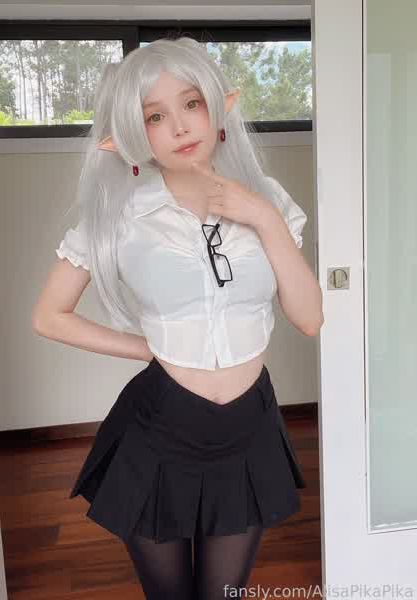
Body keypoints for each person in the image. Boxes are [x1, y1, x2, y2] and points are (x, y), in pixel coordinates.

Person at [31, 36, 324, 600]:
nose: (181, 126)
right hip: (160, 429)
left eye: (191, 104)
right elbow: (49, 316)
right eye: (155, 116)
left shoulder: (268, 199)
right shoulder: (118, 215)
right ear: (131, 134)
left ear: (219, 106)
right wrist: (147, 349)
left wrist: (263, 217)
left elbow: (309, 319)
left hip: (248, 427)